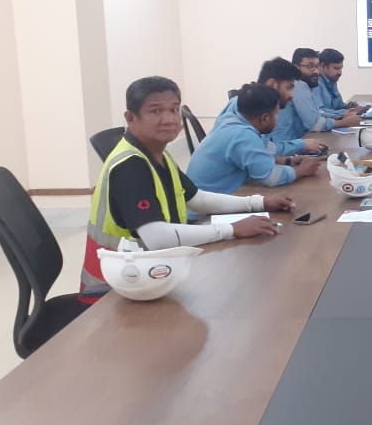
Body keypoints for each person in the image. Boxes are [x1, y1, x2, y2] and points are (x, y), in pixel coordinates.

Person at [80, 76, 295, 302]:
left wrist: (258, 202)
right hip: (117, 288)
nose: (168, 119)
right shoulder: (130, 166)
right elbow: (156, 237)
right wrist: (233, 229)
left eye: (174, 110)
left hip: (149, 273)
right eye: (155, 111)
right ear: (131, 118)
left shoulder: (156, 153)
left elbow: (197, 199)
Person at [187, 83, 320, 194]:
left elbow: (256, 155)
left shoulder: (231, 119)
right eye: (276, 114)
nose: (277, 119)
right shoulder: (243, 135)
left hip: (206, 198)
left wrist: (288, 161)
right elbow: (271, 178)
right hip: (205, 212)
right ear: (265, 118)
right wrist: (302, 170)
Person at [216, 57, 325, 181]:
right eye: (289, 87)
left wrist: (289, 159)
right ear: (272, 84)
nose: (292, 95)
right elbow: (267, 175)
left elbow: (266, 148)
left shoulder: (261, 107)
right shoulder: (247, 111)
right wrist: (300, 170)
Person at [273, 48, 361, 141]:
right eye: (310, 66)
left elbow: (315, 112)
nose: (316, 71)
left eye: (317, 66)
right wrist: (344, 122)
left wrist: (338, 116)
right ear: (296, 67)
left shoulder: (305, 84)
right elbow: (314, 124)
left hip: (293, 142)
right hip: (288, 145)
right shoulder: (299, 85)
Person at [316, 48, 368, 117]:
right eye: (336, 68)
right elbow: (319, 111)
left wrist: (348, 107)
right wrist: (345, 112)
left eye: (341, 68)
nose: (340, 73)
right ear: (323, 66)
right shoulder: (315, 84)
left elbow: (338, 106)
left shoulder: (332, 81)